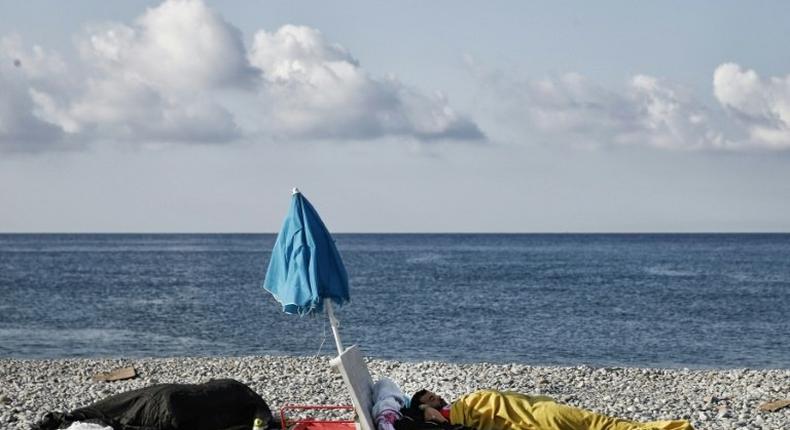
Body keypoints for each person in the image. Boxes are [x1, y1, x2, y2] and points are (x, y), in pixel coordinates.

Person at [408, 389, 694, 430]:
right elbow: (429, 418)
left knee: (599, 424)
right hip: (539, 416)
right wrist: (422, 408)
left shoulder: (461, 405)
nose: (437, 397)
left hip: (533, 408)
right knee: (599, 425)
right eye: (431, 398)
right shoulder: (440, 412)